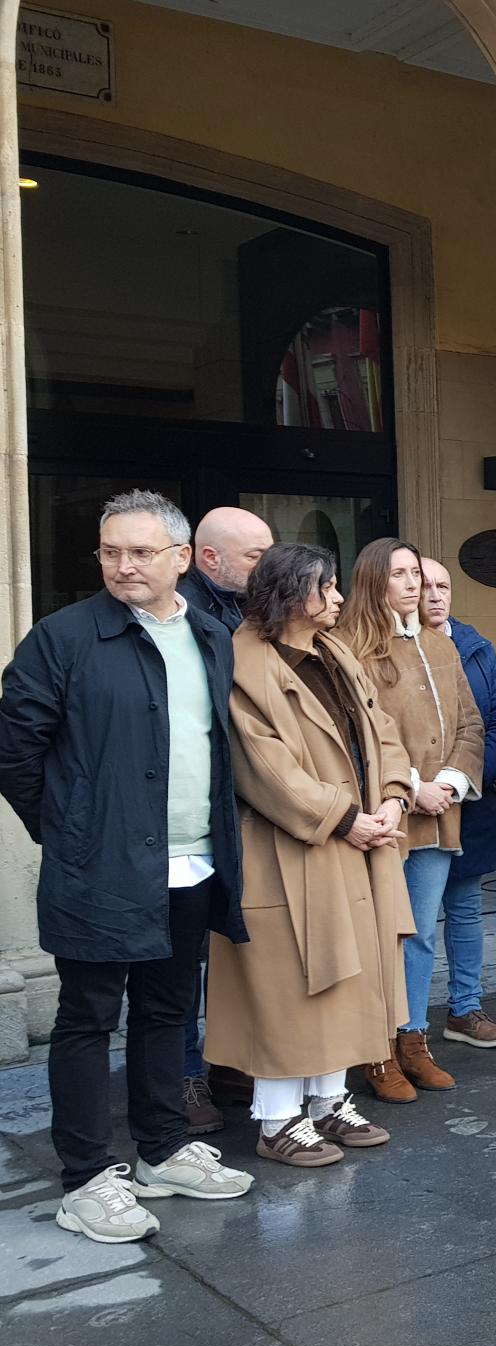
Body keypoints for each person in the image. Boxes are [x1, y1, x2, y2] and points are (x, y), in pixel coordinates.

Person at [0, 490, 254, 1241]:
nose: (123, 565)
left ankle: (162, 1148)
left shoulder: (212, 633)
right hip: (100, 867)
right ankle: (84, 1178)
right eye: (111, 551)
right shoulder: (64, 638)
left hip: (194, 863)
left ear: (182, 559)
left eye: (141, 552)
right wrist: (72, 831)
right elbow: (16, 750)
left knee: (168, 1011)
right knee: (86, 1020)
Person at [210, 541, 416, 1166]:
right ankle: (276, 1121)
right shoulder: (243, 661)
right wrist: (345, 818)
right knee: (291, 987)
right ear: (291, 594)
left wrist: (393, 800)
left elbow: (383, 732)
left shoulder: (335, 652)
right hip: (288, 849)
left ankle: (328, 1103)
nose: (337, 598)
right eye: (325, 587)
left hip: (357, 842)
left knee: (350, 978)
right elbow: (263, 767)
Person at [337, 539, 484, 1101]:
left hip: (438, 815)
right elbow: (358, 737)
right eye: (399, 574)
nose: (412, 585)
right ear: (374, 580)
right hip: (385, 816)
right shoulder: (351, 646)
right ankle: (375, 1049)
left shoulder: (440, 646)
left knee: (420, 934)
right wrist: (410, 788)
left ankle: (412, 1039)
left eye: (415, 575)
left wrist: (448, 782)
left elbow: (471, 723)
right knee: (380, 937)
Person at [174, 506, 273, 1135]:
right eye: (256, 557)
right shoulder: (186, 617)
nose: (266, 569)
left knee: (234, 947)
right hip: (195, 814)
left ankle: (225, 1060)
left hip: (243, 811)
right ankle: (183, 1077)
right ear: (209, 559)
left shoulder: (248, 612)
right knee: (182, 958)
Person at [419, 557, 496, 1050]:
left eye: (444, 586)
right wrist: (422, 787)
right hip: (412, 806)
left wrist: (462, 780)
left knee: (464, 909)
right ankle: (405, 1027)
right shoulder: (383, 646)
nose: (436, 595)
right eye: (426, 586)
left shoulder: (476, 647)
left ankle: (464, 1009)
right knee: (412, 923)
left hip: (470, 802)